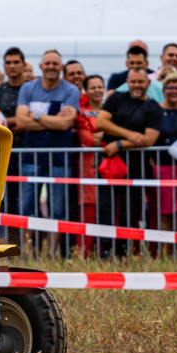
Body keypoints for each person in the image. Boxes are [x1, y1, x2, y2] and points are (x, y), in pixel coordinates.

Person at [16, 50, 80, 258]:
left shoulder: (71, 90)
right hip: (31, 157)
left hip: (60, 158)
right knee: (27, 208)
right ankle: (27, 254)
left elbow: (65, 124)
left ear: (61, 67)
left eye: (56, 63)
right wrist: (50, 120)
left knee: (58, 210)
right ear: (41, 66)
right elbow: (20, 122)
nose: (51, 66)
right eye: (48, 63)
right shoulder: (28, 87)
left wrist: (34, 116)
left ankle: (51, 255)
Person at [96, 68, 162, 258]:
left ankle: (123, 253)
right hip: (110, 165)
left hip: (137, 167)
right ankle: (105, 251)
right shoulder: (116, 98)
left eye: (141, 82)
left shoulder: (153, 107)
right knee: (105, 208)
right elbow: (101, 122)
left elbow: (149, 139)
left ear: (148, 84)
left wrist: (118, 143)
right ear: (127, 82)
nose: (137, 86)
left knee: (130, 212)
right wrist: (130, 135)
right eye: (133, 82)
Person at [0, 47, 28, 245]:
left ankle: (25, 249)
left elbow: (25, 122)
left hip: (27, 155)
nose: (12, 66)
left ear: (23, 64)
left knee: (24, 206)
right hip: (3, 157)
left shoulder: (30, 88)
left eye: (16, 62)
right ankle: (7, 250)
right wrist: (16, 122)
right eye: (8, 62)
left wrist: (15, 123)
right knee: (2, 205)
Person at [153, 72, 177, 243]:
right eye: (170, 87)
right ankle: (167, 254)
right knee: (166, 212)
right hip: (164, 168)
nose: (174, 91)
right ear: (164, 89)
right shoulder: (156, 111)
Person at [74, 75, 106, 257]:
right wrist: (107, 135)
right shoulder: (82, 112)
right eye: (92, 87)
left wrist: (101, 136)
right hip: (89, 167)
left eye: (100, 86)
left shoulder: (111, 109)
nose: (97, 90)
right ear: (86, 90)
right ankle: (83, 254)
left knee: (110, 210)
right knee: (89, 210)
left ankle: (104, 253)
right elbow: (87, 139)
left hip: (110, 167)